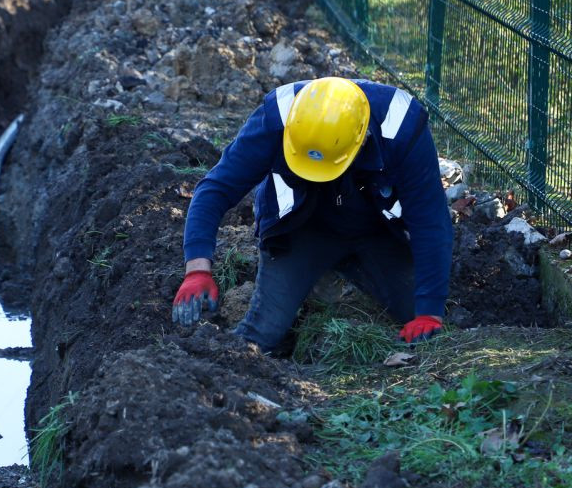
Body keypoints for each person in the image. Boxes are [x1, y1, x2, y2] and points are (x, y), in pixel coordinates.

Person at [171, 76, 454, 350]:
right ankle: (312, 274)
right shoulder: (277, 118)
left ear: (362, 138)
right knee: (262, 336)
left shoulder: (401, 127)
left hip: (379, 231)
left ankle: (347, 273)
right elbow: (216, 188)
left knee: (421, 320)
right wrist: (197, 270)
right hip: (303, 229)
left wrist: (430, 312)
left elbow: (429, 219)